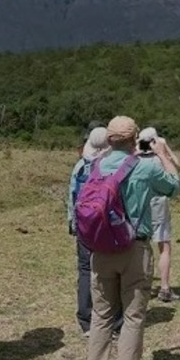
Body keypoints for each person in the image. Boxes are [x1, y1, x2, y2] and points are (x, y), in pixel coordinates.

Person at [85, 116, 180, 360]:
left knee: (102, 316)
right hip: (134, 249)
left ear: (109, 139)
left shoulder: (94, 166)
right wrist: (162, 154)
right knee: (133, 317)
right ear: (135, 138)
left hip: (101, 248)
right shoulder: (145, 168)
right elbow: (174, 187)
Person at [67, 127, 123, 338]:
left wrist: (73, 224)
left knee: (85, 271)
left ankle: (86, 320)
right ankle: (115, 324)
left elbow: (72, 198)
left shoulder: (80, 166)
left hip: (85, 228)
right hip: (109, 229)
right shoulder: (114, 166)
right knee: (114, 273)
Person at [137, 127, 180, 302]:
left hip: (140, 207)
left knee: (141, 246)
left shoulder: (136, 159)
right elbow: (177, 167)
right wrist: (165, 150)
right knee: (164, 246)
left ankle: (141, 286)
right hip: (159, 205)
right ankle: (164, 287)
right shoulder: (159, 160)